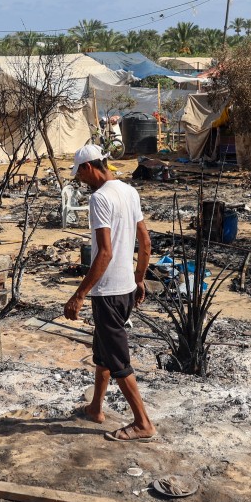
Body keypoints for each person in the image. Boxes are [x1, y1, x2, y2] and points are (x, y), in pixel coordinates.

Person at [63, 144, 155, 442]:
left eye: (79, 173)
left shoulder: (99, 199)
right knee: (102, 352)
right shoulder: (129, 191)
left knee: (118, 361)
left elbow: (104, 253)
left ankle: (143, 423)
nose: (79, 179)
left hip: (109, 292)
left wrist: (79, 295)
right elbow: (146, 242)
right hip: (126, 287)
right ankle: (95, 408)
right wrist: (139, 278)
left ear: (89, 167)